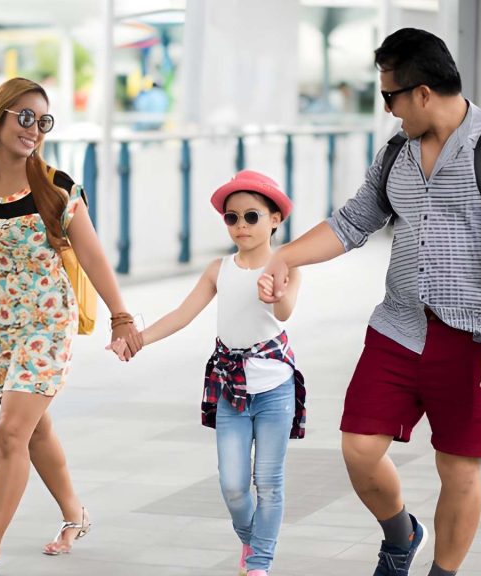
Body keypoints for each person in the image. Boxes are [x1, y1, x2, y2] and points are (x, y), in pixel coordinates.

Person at [259, 29, 481, 576]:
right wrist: (285, 258)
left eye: (390, 96)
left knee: (458, 467)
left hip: (473, 334)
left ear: (423, 92)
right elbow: (352, 222)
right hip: (399, 326)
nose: (388, 110)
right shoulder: (397, 152)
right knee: (359, 448)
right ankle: (401, 534)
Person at [0, 77, 144, 576]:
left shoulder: (56, 186)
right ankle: (76, 514)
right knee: (33, 428)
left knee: (9, 431)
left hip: (47, 320)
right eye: (24, 117)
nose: (34, 129)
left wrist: (122, 317)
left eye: (43, 121)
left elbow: (91, 256)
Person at [110, 170, 305, 576]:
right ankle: (252, 544)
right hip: (230, 389)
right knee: (233, 486)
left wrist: (278, 291)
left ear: (274, 219)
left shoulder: (286, 265)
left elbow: (284, 313)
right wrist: (137, 340)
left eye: (251, 216)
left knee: (268, 483)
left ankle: (259, 565)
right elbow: (183, 315)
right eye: (231, 218)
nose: (240, 226)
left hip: (275, 390)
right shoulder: (220, 269)